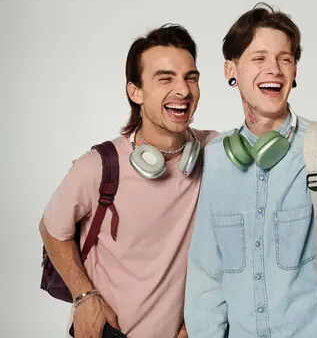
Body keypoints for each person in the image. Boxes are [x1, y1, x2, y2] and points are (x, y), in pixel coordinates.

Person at [184, 3, 317, 338]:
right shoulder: (217, 159)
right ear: (230, 70)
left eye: (285, 58)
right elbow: (206, 272)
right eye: (259, 58)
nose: (274, 69)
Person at [39, 24, 218, 338]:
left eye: (190, 77)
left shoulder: (213, 154)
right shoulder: (98, 166)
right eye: (165, 78)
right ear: (135, 91)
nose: (183, 90)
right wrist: (84, 296)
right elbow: (51, 229)